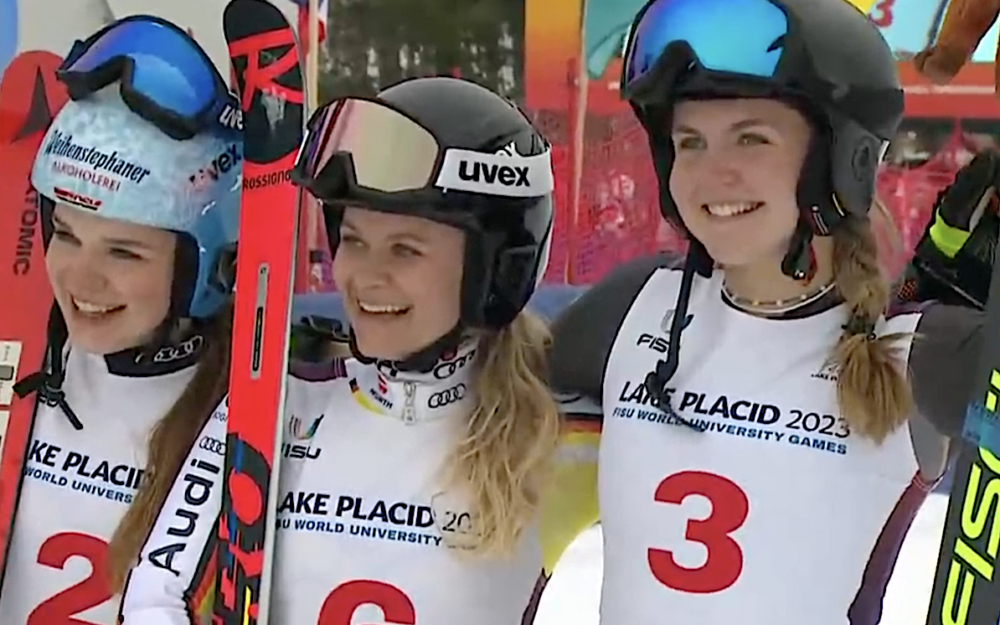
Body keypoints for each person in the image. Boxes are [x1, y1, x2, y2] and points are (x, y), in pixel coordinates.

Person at [547, 0, 995, 622]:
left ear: (843, 159)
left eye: (752, 138)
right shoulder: (634, 309)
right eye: (689, 142)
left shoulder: (917, 353)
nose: (711, 173)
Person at [120, 75, 601, 625]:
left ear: (496, 271)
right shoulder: (279, 404)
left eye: (406, 250)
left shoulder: (563, 437)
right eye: (353, 241)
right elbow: (154, 597)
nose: (367, 276)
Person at [0, 15, 241, 624]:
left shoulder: (248, 420)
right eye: (67, 234)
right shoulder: (25, 367)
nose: (80, 279)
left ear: (205, 267)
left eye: (124, 252)